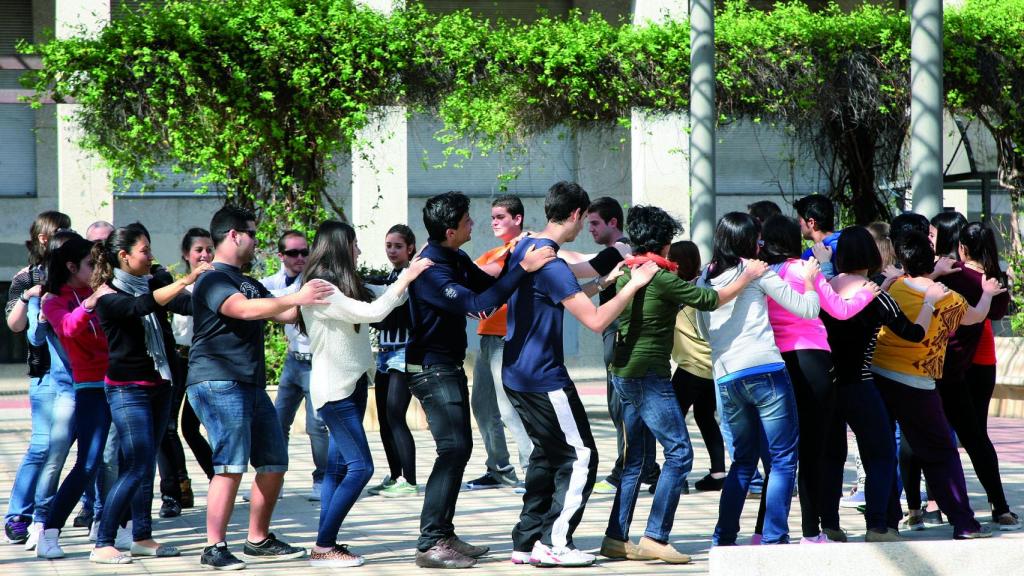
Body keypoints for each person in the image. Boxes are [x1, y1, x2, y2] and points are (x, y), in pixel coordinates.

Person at [502, 182, 658, 568]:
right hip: (543, 377)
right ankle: (554, 542)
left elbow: (570, 282)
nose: (581, 229)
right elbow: (596, 320)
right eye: (581, 220)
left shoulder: (528, 248)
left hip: (518, 373)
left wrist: (604, 280)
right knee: (581, 455)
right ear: (574, 215)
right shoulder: (551, 263)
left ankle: (526, 541)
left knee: (546, 455)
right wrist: (633, 285)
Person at [601, 206, 764, 564]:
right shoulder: (659, 276)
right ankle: (656, 536)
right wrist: (748, 275)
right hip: (648, 376)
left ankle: (616, 537)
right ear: (663, 243)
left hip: (625, 372)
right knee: (679, 454)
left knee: (634, 460)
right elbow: (710, 299)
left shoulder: (630, 271)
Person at [405, 191, 554, 569]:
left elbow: (492, 285)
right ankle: (430, 543)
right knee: (452, 449)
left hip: (448, 366)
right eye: (469, 220)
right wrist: (527, 268)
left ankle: (442, 533)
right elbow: (478, 305)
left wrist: (518, 255)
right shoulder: (430, 270)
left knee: (459, 449)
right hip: (431, 369)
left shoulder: (454, 256)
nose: (476, 224)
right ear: (451, 230)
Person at [185, 205, 334, 570]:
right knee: (230, 464)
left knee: (273, 461)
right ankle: (214, 547)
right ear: (234, 234)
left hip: (248, 383)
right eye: (252, 233)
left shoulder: (247, 280)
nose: (256, 240)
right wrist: (296, 298)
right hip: (217, 380)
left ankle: (257, 538)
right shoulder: (214, 279)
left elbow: (284, 312)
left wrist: (318, 285)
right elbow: (243, 310)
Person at [69, 224, 212, 564]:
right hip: (127, 389)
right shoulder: (107, 294)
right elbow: (141, 306)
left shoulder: (154, 279)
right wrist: (187, 278)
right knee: (134, 464)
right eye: (145, 250)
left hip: (160, 384)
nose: (150, 256)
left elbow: (184, 305)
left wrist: (219, 285)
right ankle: (103, 541)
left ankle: (142, 537)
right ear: (124, 256)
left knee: (146, 465)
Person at [299, 221, 432, 567]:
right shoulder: (320, 287)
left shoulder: (344, 285)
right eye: (355, 244)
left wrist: (408, 276)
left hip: (353, 385)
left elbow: (386, 301)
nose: (359, 250)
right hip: (336, 392)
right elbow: (372, 312)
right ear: (341, 246)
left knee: (337, 469)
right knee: (362, 468)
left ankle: (327, 542)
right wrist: (406, 275)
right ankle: (324, 545)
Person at [697, 212, 822, 546]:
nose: (761, 244)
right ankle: (774, 535)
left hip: (726, 375)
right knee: (782, 458)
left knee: (742, 460)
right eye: (757, 239)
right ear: (748, 241)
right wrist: (810, 280)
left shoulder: (704, 278)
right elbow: (808, 310)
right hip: (766, 370)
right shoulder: (756, 271)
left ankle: (723, 536)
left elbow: (702, 329)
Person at [871, 231, 1002, 540]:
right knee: (943, 452)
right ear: (931, 260)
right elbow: (977, 317)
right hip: (916, 381)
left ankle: (885, 523)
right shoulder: (947, 298)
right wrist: (986, 292)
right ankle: (964, 523)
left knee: (882, 450)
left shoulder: (894, 288)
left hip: (879, 375)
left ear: (902, 262)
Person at [759, 215, 877, 544]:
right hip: (813, 362)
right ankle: (812, 531)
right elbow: (840, 309)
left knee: (781, 454)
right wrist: (866, 293)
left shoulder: (766, 274)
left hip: (777, 363)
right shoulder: (803, 270)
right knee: (814, 450)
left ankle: (765, 531)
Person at [821, 226, 939, 542]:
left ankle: (829, 525)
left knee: (832, 456)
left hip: (828, 386)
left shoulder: (825, 288)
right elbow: (914, 333)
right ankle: (877, 525)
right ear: (872, 256)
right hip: (860, 384)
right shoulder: (876, 296)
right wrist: (928, 302)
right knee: (881, 454)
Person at [561, 196, 660, 496]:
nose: (589, 228)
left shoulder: (620, 250)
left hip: (620, 336)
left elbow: (581, 268)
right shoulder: (615, 251)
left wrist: (547, 250)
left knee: (622, 406)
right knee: (626, 406)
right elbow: (586, 261)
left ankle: (628, 469)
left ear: (613, 223)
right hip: (615, 335)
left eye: (594, 223)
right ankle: (645, 469)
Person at [932, 222, 1017, 530]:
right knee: (977, 436)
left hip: (952, 363)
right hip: (983, 363)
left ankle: (932, 505)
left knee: (937, 435)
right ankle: (1000, 506)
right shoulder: (997, 280)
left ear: (963, 248)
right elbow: (995, 315)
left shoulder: (954, 273)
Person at [38, 236, 114, 561]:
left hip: (120, 384)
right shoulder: (53, 300)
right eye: (90, 265)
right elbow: (68, 329)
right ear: (71, 267)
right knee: (89, 462)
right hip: (89, 388)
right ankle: (49, 530)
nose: (97, 270)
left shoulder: (98, 292)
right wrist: (92, 302)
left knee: (125, 460)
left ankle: (114, 526)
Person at [4, 211, 70, 546]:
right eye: (61, 231)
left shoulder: (76, 273)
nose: (67, 236)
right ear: (44, 238)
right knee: (42, 447)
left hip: (78, 375)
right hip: (44, 374)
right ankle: (19, 514)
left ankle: (90, 511)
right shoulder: (25, 277)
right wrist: (30, 295)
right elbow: (15, 325)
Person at [464, 195, 535, 491]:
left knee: (509, 408)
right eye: (492, 217)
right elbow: (472, 283)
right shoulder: (492, 253)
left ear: (517, 219)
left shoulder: (527, 248)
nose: (494, 222)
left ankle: (532, 471)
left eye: (500, 217)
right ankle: (499, 470)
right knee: (481, 404)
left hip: (509, 336)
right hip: (487, 337)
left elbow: (482, 278)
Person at [260, 230, 329, 502]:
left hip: (315, 361)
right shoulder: (274, 281)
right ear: (281, 256)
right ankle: (270, 482)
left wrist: (268, 298)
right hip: (293, 361)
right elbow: (258, 292)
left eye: (304, 252)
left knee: (317, 426)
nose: (300, 257)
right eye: (293, 253)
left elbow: (287, 297)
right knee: (277, 423)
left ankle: (322, 479)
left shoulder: (314, 278)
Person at [161, 228, 217, 514]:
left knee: (190, 427)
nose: (205, 255)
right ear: (186, 255)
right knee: (167, 426)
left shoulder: (219, 284)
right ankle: (175, 490)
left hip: (204, 362)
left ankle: (218, 479)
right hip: (177, 361)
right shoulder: (176, 286)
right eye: (199, 250)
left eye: (209, 249)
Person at [667, 241, 726, 493]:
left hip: (690, 368)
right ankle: (718, 472)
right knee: (705, 417)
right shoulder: (705, 286)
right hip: (711, 368)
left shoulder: (676, 291)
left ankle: (678, 478)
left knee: (673, 422)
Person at [366, 224, 419, 498]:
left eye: (398, 246)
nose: (392, 251)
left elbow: (395, 309)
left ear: (410, 248)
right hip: (385, 353)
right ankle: (395, 475)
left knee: (396, 414)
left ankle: (408, 480)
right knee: (386, 419)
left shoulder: (410, 278)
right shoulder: (390, 276)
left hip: (404, 352)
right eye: (389, 245)